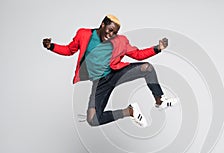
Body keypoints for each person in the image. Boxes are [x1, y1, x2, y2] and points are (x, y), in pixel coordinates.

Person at [42, 14, 177, 127]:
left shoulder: (120, 41)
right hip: (100, 82)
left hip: (116, 74)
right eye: (109, 30)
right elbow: (69, 50)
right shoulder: (83, 34)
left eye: (114, 32)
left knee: (147, 68)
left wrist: (157, 48)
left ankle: (160, 100)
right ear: (102, 25)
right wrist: (51, 46)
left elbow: (137, 54)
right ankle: (129, 111)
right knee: (93, 119)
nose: (111, 34)